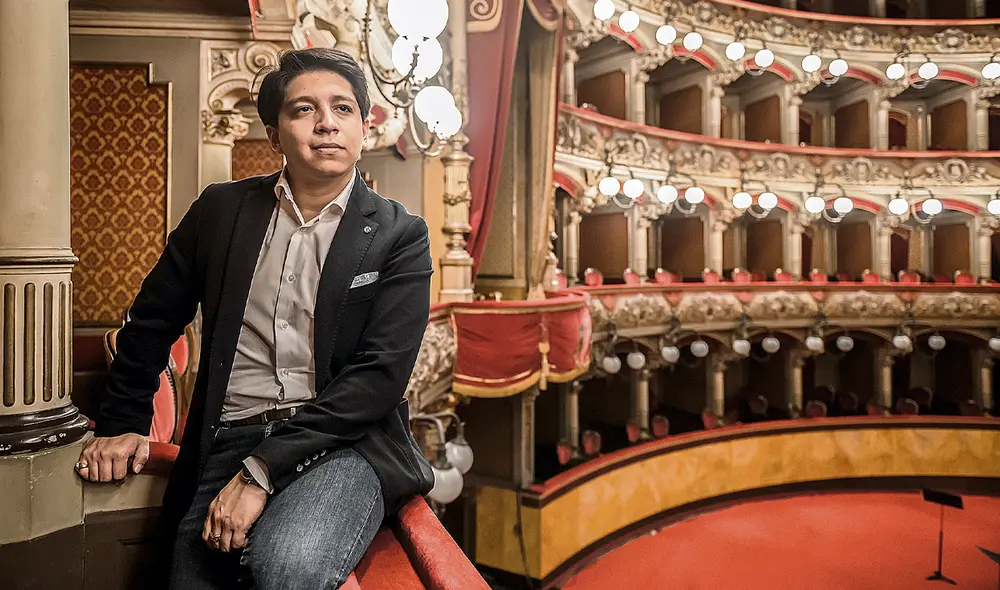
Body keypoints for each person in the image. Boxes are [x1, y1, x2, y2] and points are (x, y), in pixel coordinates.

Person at [74, 48, 434, 589]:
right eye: (303, 110)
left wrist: (261, 472)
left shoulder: (399, 235)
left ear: (364, 126)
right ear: (273, 134)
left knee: (289, 568)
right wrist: (122, 424)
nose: (327, 123)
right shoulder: (221, 211)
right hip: (224, 437)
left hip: (342, 444)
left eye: (342, 109)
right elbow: (150, 322)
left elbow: (378, 379)